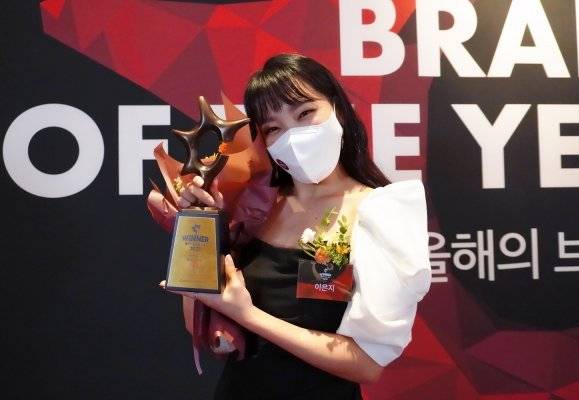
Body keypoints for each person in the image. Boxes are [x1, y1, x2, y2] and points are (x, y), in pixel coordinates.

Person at [160, 53, 431, 399]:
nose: (294, 136)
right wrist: (197, 227)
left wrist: (249, 316)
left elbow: (366, 364)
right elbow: (197, 323)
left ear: (338, 109)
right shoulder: (255, 205)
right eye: (274, 128)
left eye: (305, 113)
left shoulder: (380, 212)